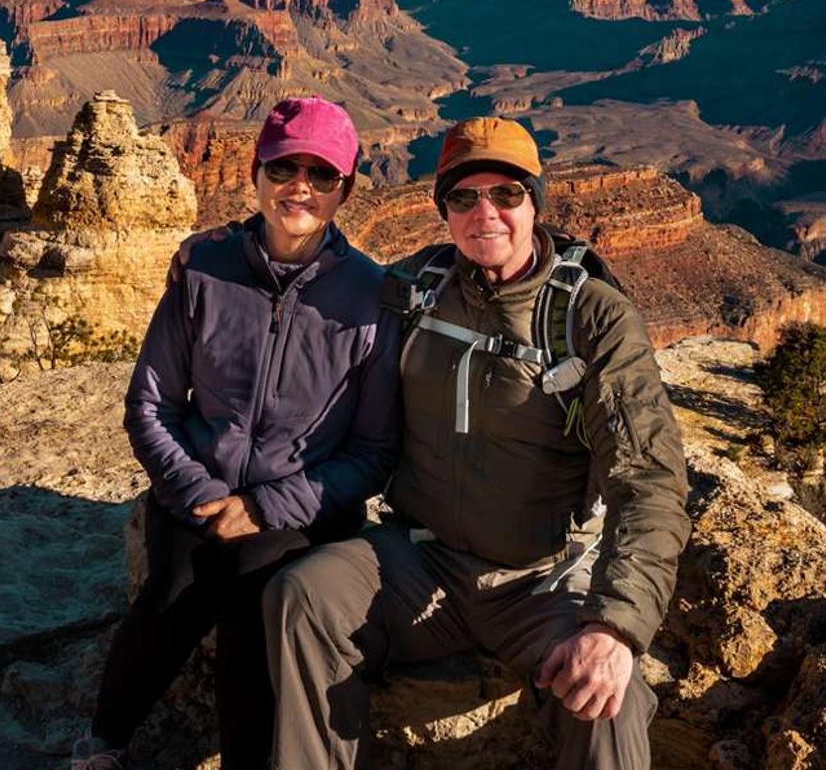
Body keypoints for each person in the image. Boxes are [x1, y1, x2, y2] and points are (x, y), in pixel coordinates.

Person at [263, 116, 688, 769]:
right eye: (463, 197)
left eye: (506, 194)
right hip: (419, 560)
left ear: (535, 202)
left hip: (541, 581)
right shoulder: (416, 289)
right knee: (301, 597)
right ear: (444, 210)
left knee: (609, 701)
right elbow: (311, 314)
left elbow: (649, 478)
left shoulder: (591, 317)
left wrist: (616, 626)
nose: (484, 213)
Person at [72, 97, 403, 770]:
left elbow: (372, 453)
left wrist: (263, 507)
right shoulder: (204, 270)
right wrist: (198, 490)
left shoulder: (372, 299)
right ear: (255, 173)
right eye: (283, 168)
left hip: (304, 507)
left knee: (256, 607)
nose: (299, 187)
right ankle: (102, 742)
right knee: (172, 590)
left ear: (346, 190)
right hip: (198, 489)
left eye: (321, 174)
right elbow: (151, 404)